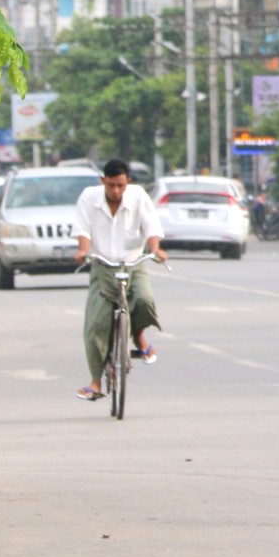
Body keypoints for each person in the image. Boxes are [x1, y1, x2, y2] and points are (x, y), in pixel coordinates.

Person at [73, 159, 166, 403]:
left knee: (144, 300)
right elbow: (82, 229)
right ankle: (95, 381)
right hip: (103, 266)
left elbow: (152, 228)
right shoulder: (88, 198)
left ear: (128, 183)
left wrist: (156, 249)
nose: (116, 191)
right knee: (95, 326)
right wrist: (83, 250)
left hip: (133, 264)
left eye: (121, 186)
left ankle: (139, 336)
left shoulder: (138, 197)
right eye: (111, 185)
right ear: (102, 181)